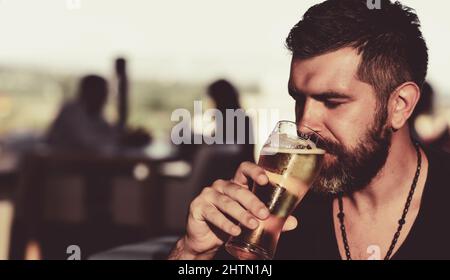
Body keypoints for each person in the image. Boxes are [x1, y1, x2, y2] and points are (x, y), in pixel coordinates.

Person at [168, 0, 450, 260]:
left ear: (399, 105)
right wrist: (192, 253)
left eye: (332, 102)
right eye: (299, 99)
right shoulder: (272, 214)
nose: (304, 125)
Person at [47, 75, 150, 151]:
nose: (105, 98)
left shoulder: (94, 113)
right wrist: (122, 140)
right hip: (62, 167)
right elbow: (88, 143)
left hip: (81, 164)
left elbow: (107, 132)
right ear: (88, 92)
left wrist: (127, 136)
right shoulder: (72, 111)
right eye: (102, 93)